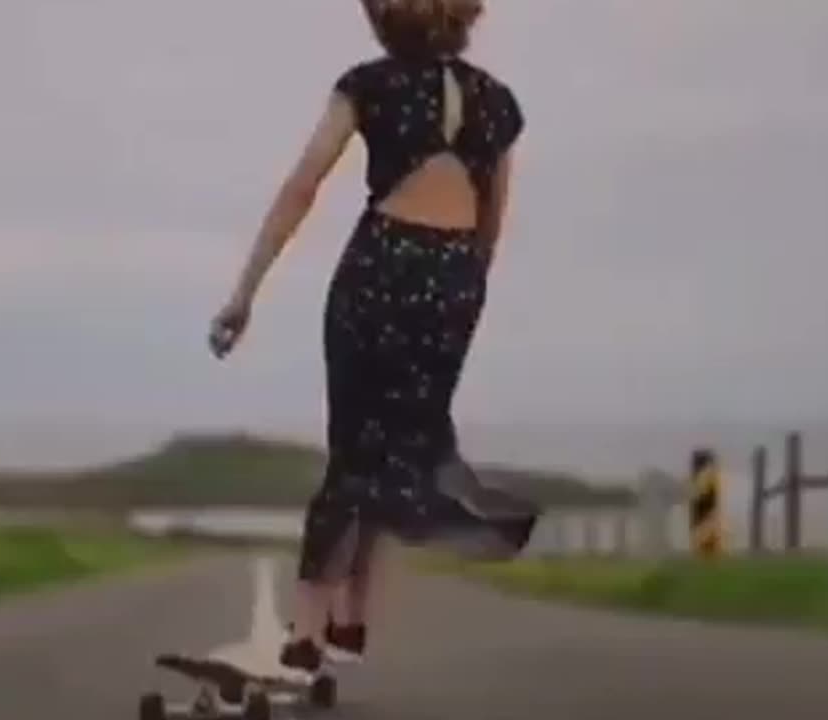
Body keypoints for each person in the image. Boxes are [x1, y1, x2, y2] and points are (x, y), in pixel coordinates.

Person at [208, 0, 539, 680]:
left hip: (380, 268)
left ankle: (305, 632)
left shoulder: (369, 85)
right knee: (401, 449)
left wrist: (244, 293)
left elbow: (303, 186)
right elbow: (491, 227)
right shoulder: (499, 104)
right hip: (454, 282)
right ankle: (352, 621)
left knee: (353, 448)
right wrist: (458, 298)